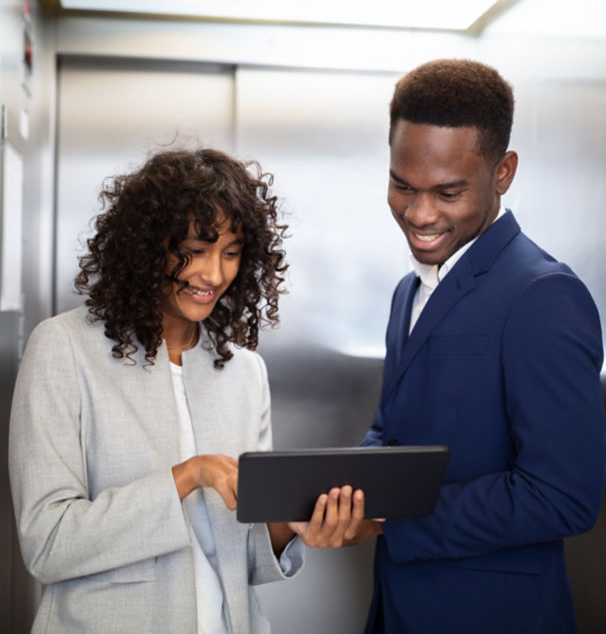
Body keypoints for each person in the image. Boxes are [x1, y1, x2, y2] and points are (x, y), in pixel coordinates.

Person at [8, 148, 364, 634]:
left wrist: (297, 529)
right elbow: (48, 544)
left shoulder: (244, 372)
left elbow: (240, 557)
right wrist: (185, 477)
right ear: (146, 244)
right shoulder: (63, 349)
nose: (213, 274)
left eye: (231, 252)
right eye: (194, 250)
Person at [358, 59, 606, 633]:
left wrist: (389, 518)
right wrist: (350, 491)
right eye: (402, 185)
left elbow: (562, 495)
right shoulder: (408, 291)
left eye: (448, 191)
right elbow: (390, 429)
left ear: (503, 172)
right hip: (397, 607)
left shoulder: (544, 295)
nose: (419, 214)